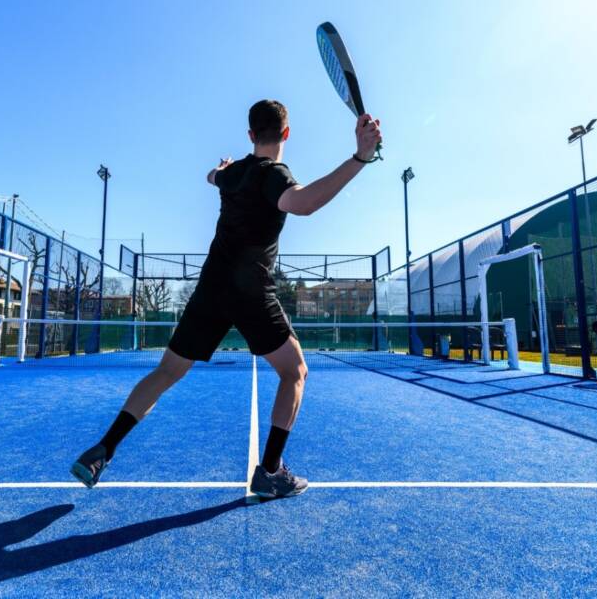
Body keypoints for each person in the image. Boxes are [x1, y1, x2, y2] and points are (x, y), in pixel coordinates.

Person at [71, 99, 382, 498]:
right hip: (250, 292)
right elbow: (303, 203)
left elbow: (210, 176)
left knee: (165, 372)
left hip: (211, 288)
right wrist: (360, 157)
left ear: (251, 135)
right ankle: (270, 471)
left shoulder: (231, 174)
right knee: (295, 372)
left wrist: (221, 168)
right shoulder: (274, 175)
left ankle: (104, 449)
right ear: (286, 134)